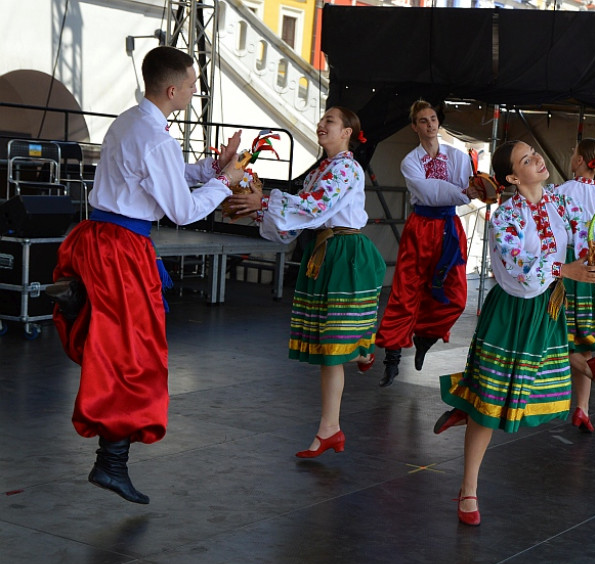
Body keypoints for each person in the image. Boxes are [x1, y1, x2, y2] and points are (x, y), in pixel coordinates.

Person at [48, 46, 245, 504]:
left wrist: (215, 166)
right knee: (134, 355)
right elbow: (181, 209)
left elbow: (161, 175)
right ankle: (110, 462)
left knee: (122, 350)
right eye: (193, 85)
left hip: (97, 238)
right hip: (122, 250)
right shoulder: (156, 139)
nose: (195, 91)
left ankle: (110, 459)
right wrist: (225, 183)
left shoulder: (127, 121)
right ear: (173, 89)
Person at [432, 140, 595, 526]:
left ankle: (576, 361)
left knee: (525, 383)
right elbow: (522, 265)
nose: (538, 160)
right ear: (512, 176)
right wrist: (567, 270)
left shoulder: (559, 202)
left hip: (547, 309)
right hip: (513, 312)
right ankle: (468, 489)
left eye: (536, 154)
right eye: (526, 159)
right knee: (489, 406)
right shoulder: (505, 217)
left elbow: (592, 229)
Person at [226, 107, 385, 458]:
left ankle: (361, 347)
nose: (321, 124)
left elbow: (313, 208)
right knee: (330, 348)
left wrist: (264, 201)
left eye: (330, 121)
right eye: (322, 120)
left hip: (345, 254)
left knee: (332, 347)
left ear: (347, 133)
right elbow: (300, 219)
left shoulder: (345, 167)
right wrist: (257, 208)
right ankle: (331, 425)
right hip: (327, 253)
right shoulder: (323, 170)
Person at [376, 100, 482, 387]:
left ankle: (424, 337)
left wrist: (468, 191)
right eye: (423, 120)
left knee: (457, 294)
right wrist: (463, 192)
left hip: (449, 228)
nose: (430, 124)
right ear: (415, 126)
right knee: (405, 290)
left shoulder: (458, 157)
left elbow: (467, 188)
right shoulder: (410, 161)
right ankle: (393, 357)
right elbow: (430, 191)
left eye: (433, 118)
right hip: (421, 228)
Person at [554, 138, 595, 432]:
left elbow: (551, 232)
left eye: (573, 151)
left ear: (580, 160)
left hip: (568, 268)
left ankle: (588, 370)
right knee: (585, 339)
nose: (571, 155)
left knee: (553, 335)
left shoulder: (560, 193)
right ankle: (582, 409)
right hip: (593, 269)